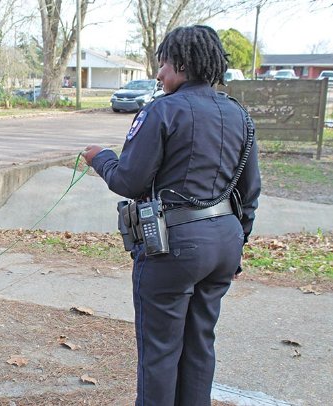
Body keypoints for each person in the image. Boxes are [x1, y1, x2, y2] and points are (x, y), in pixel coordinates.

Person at [82, 25, 261, 405]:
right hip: (225, 244)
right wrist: (237, 240)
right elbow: (250, 191)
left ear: (182, 64)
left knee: (160, 352)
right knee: (200, 344)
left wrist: (101, 158)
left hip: (174, 247)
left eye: (163, 64)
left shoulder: (162, 110)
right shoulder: (238, 114)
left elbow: (129, 180)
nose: (159, 73)